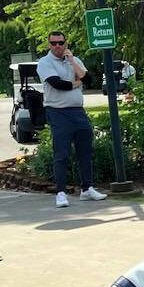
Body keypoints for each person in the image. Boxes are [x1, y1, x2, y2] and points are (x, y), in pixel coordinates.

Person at [36, 31, 108, 208]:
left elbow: (89, 80)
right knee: (61, 153)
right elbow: (57, 84)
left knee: (85, 150)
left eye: (60, 43)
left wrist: (73, 62)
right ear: (49, 45)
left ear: (65, 43)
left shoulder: (74, 60)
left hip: (78, 111)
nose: (57, 46)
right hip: (58, 112)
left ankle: (87, 189)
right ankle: (60, 192)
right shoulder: (45, 63)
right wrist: (76, 83)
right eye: (53, 43)